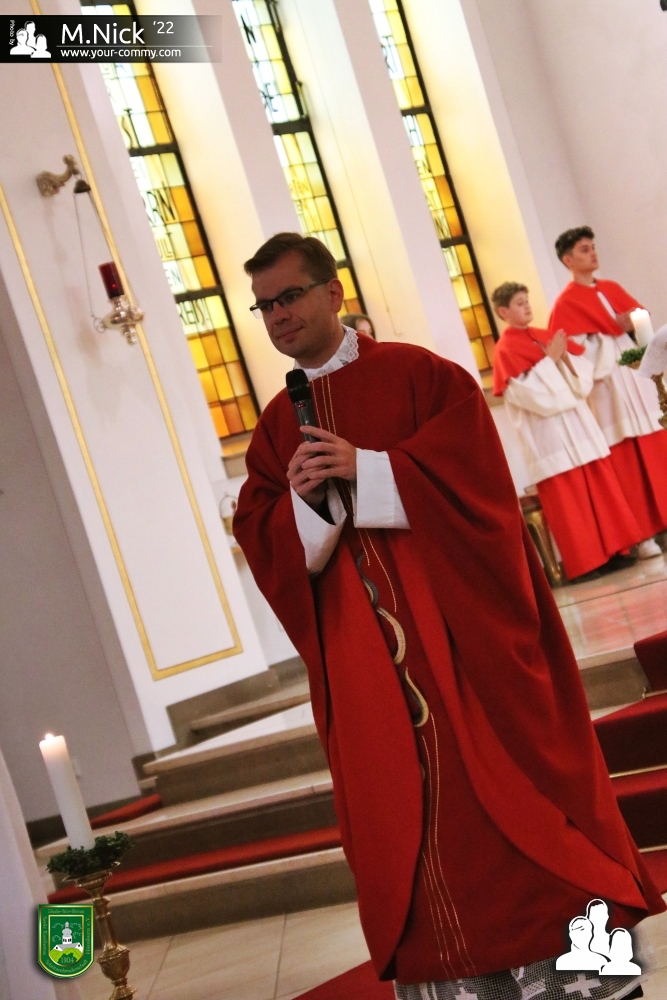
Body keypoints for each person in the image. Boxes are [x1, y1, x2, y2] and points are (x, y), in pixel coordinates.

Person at [234, 232, 662, 1000]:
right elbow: (265, 538)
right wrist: (305, 506)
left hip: (462, 646)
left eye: (289, 296)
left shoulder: (421, 376)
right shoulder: (274, 427)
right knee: (414, 827)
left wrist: (370, 471)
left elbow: (481, 489)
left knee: (513, 811)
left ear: (333, 293)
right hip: (368, 673)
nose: (277, 316)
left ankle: (578, 977)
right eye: (263, 306)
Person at [492, 282, 642, 580]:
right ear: (503, 312)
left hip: (579, 426)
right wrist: (550, 361)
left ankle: (617, 551)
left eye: (526, 300)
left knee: (600, 490)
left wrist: (561, 360)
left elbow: (583, 378)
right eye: (519, 303)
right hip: (549, 437)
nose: (527, 306)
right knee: (571, 502)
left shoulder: (547, 336)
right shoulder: (505, 351)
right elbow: (532, 396)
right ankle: (587, 563)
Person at [549, 227, 667, 560]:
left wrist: (631, 325)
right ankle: (643, 537)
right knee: (625, 462)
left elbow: (643, 330)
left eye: (593, 247)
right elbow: (572, 351)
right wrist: (606, 332)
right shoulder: (566, 303)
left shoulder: (612, 288)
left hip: (636, 379)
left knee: (658, 446)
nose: (593, 253)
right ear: (568, 260)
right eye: (584, 250)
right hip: (608, 389)